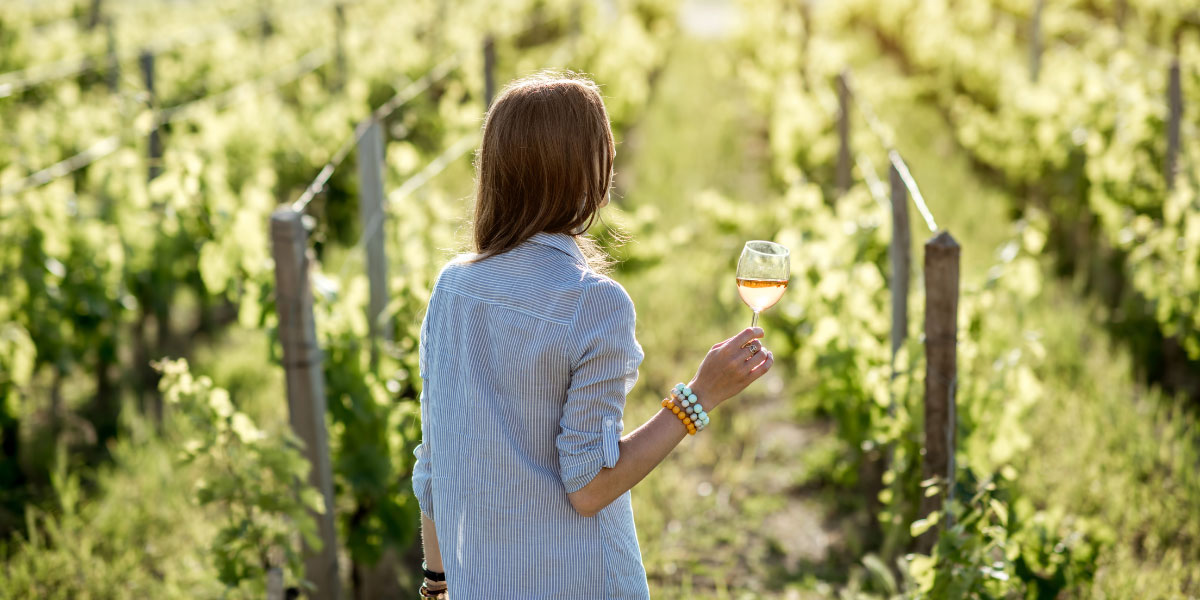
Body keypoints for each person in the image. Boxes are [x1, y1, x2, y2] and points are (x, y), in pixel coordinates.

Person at [411, 71, 774, 599]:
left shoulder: (452, 289)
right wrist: (700, 396)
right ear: (588, 176)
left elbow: (434, 465)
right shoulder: (595, 305)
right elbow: (588, 487)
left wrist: (437, 585)